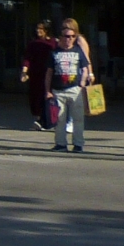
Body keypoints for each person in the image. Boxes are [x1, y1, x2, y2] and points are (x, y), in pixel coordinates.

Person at [45, 23, 91, 153]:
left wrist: (82, 83)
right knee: (59, 119)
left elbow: (85, 68)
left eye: (72, 36)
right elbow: (48, 73)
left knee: (78, 119)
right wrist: (47, 91)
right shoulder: (54, 53)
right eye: (66, 36)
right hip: (58, 91)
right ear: (61, 37)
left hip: (75, 90)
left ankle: (78, 144)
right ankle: (60, 144)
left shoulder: (78, 51)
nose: (69, 39)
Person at [20, 20, 56, 129]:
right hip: (36, 74)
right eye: (37, 28)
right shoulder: (33, 43)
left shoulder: (54, 43)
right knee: (36, 97)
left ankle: (48, 120)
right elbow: (27, 58)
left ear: (46, 30)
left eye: (41, 29)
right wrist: (24, 72)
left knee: (49, 97)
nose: (38, 31)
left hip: (49, 74)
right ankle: (40, 119)